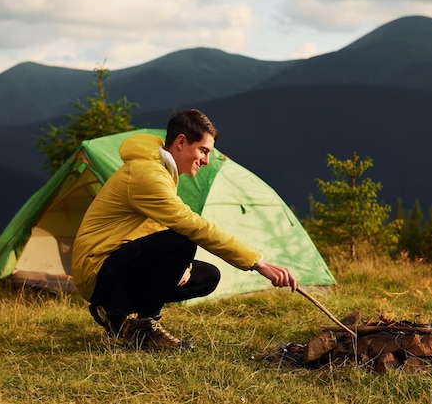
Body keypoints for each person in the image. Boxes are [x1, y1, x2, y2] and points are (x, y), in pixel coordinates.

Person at [72, 108, 297, 351]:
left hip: (114, 263)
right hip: (97, 269)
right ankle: (146, 330)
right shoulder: (147, 174)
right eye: (203, 150)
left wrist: (183, 266)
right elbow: (191, 225)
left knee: (206, 277)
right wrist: (258, 262)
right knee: (183, 240)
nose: (206, 160)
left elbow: (156, 226)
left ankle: (114, 312)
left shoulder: (160, 170)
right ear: (181, 142)